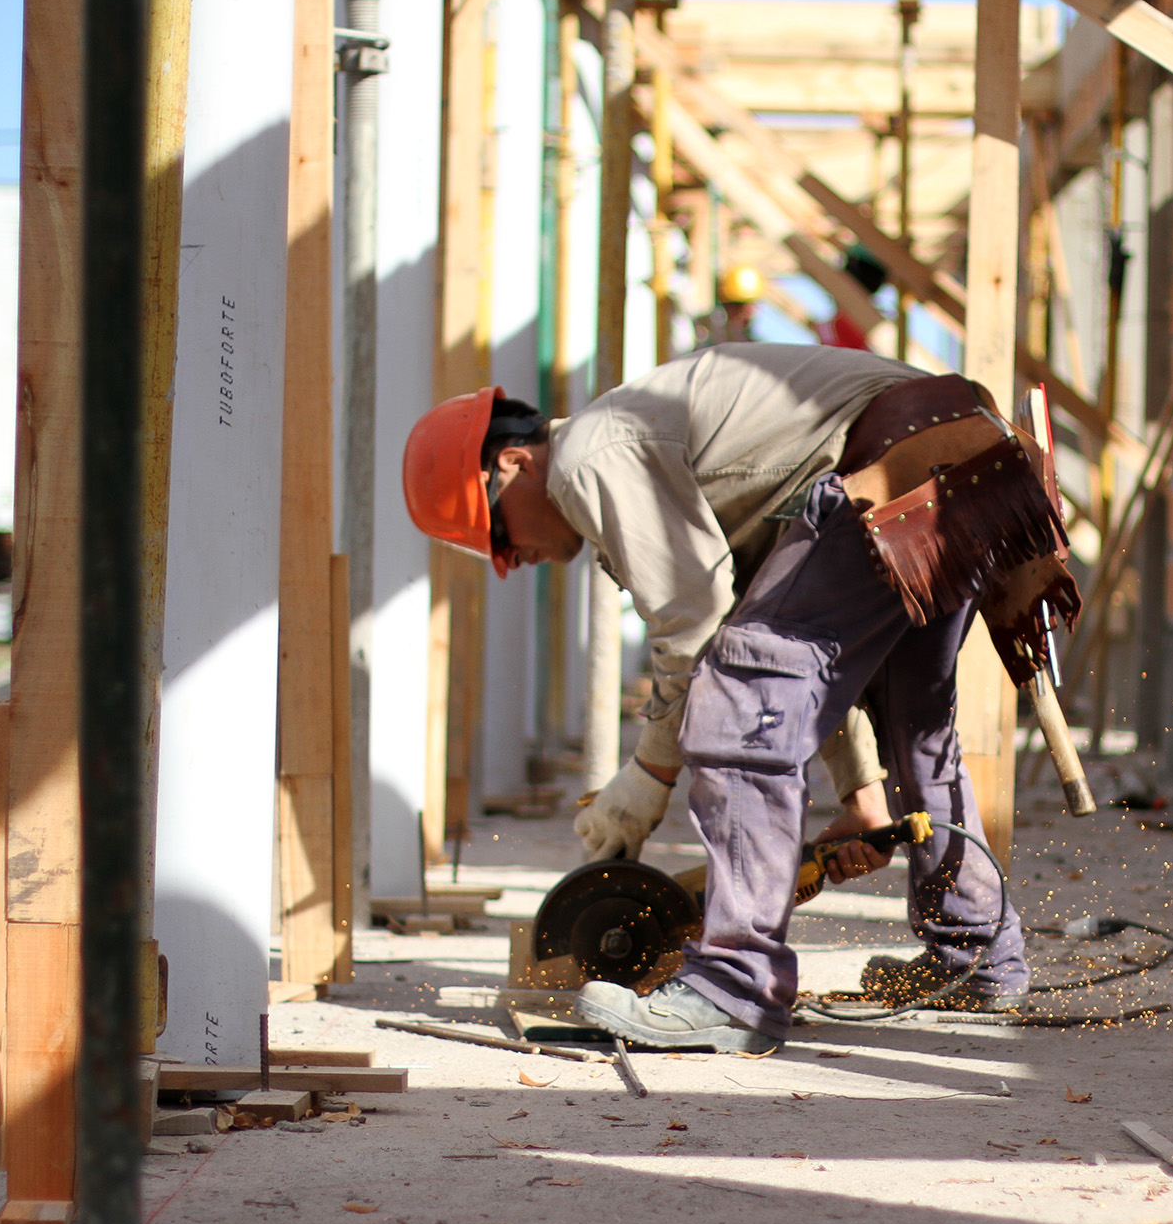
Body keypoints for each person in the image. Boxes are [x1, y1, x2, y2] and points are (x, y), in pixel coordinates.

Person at [402, 343, 1080, 1052]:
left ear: (511, 465)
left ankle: (735, 988)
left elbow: (701, 624)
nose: (515, 559)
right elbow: (816, 645)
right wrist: (862, 795)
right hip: (965, 464)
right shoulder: (628, 446)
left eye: (500, 535)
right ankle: (977, 958)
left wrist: (649, 774)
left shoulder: (589, 457)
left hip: (889, 472)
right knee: (913, 721)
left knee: (733, 695)